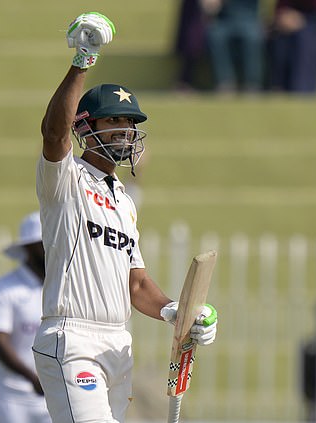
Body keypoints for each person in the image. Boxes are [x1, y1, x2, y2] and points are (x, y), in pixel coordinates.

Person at [31, 12, 219, 423]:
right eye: (114, 120)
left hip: (119, 344)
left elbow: (136, 282)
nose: (124, 131)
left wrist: (176, 311)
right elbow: (53, 134)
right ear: (86, 126)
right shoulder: (64, 178)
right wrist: (83, 60)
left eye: (130, 123)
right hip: (72, 336)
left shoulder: (125, 200)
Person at [0, 211, 51, 423]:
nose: (53, 248)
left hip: (53, 397)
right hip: (10, 398)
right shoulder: (4, 289)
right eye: (45, 242)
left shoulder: (64, 288)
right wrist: (32, 378)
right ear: (30, 247)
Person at [266, 0, 316, 95]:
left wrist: (297, 17)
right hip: (285, 18)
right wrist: (282, 15)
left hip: (311, 19)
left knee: (300, 87)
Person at [205, 0, 264, 94]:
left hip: (249, 18)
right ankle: (225, 82)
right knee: (216, 36)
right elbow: (209, 7)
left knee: (253, 37)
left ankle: (252, 84)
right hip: (224, 20)